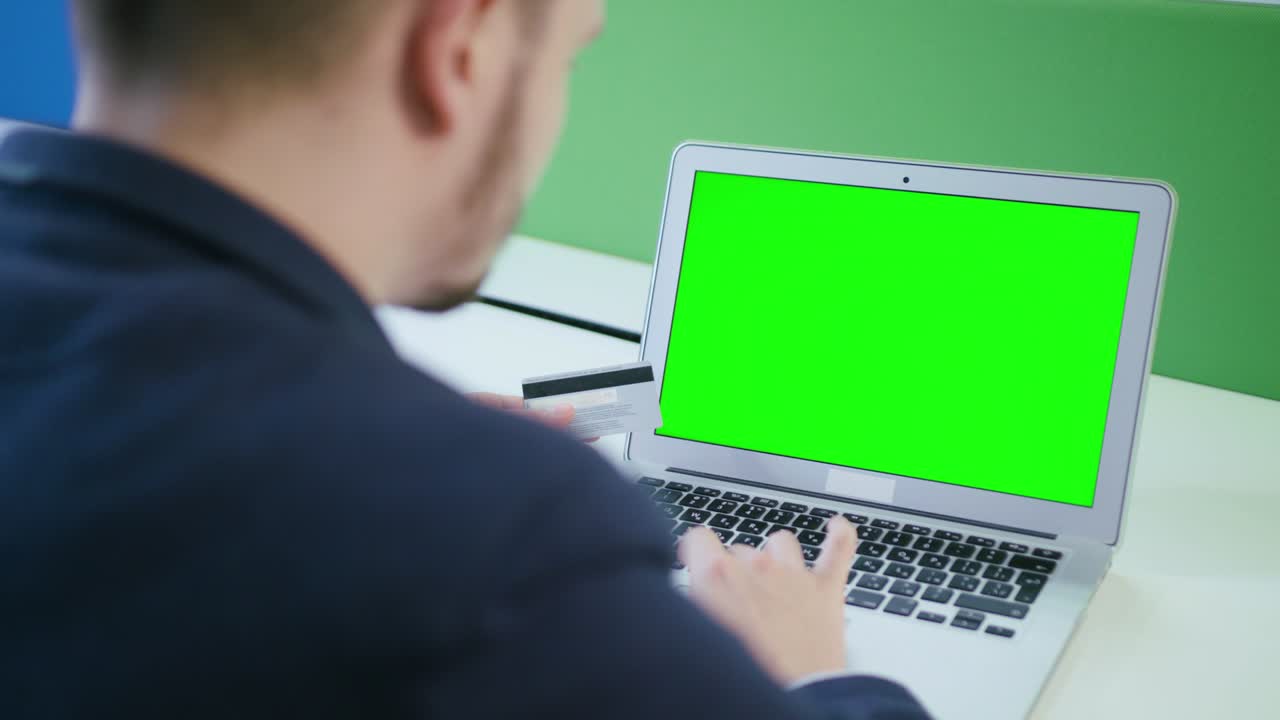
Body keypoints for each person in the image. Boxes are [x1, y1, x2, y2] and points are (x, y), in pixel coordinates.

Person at [0, 2, 930, 718]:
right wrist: (816, 676)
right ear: (459, 47)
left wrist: (399, 458)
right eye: (571, 52)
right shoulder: (510, 554)